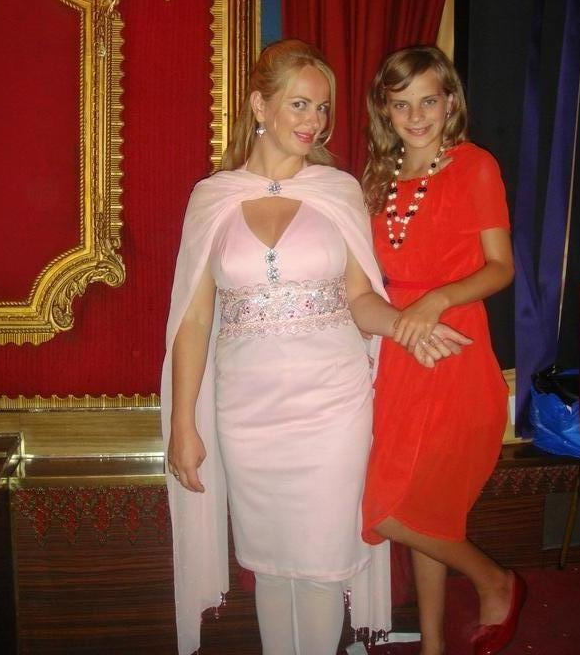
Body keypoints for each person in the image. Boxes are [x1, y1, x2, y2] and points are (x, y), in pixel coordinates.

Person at [161, 39, 470, 655]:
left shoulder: (337, 190)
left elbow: (361, 298)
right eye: (300, 104)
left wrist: (405, 324)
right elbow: (192, 322)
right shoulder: (212, 198)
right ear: (260, 106)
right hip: (247, 412)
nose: (315, 121)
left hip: (333, 405)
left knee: (325, 564)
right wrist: (183, 425)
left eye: (323, 107)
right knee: (271, 565)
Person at [361, 45, 523, 655]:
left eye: (428, 100)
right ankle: (432, 644)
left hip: (454, 347)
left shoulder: (475, 166)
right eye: (401, 104)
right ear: (384, 109)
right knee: (423, 508)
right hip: (400, 349)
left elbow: (501, 267)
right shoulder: (377, 177)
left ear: (450, 101)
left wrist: (436, 300)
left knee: (390, 511)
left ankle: (494, 581)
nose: (416, 116)